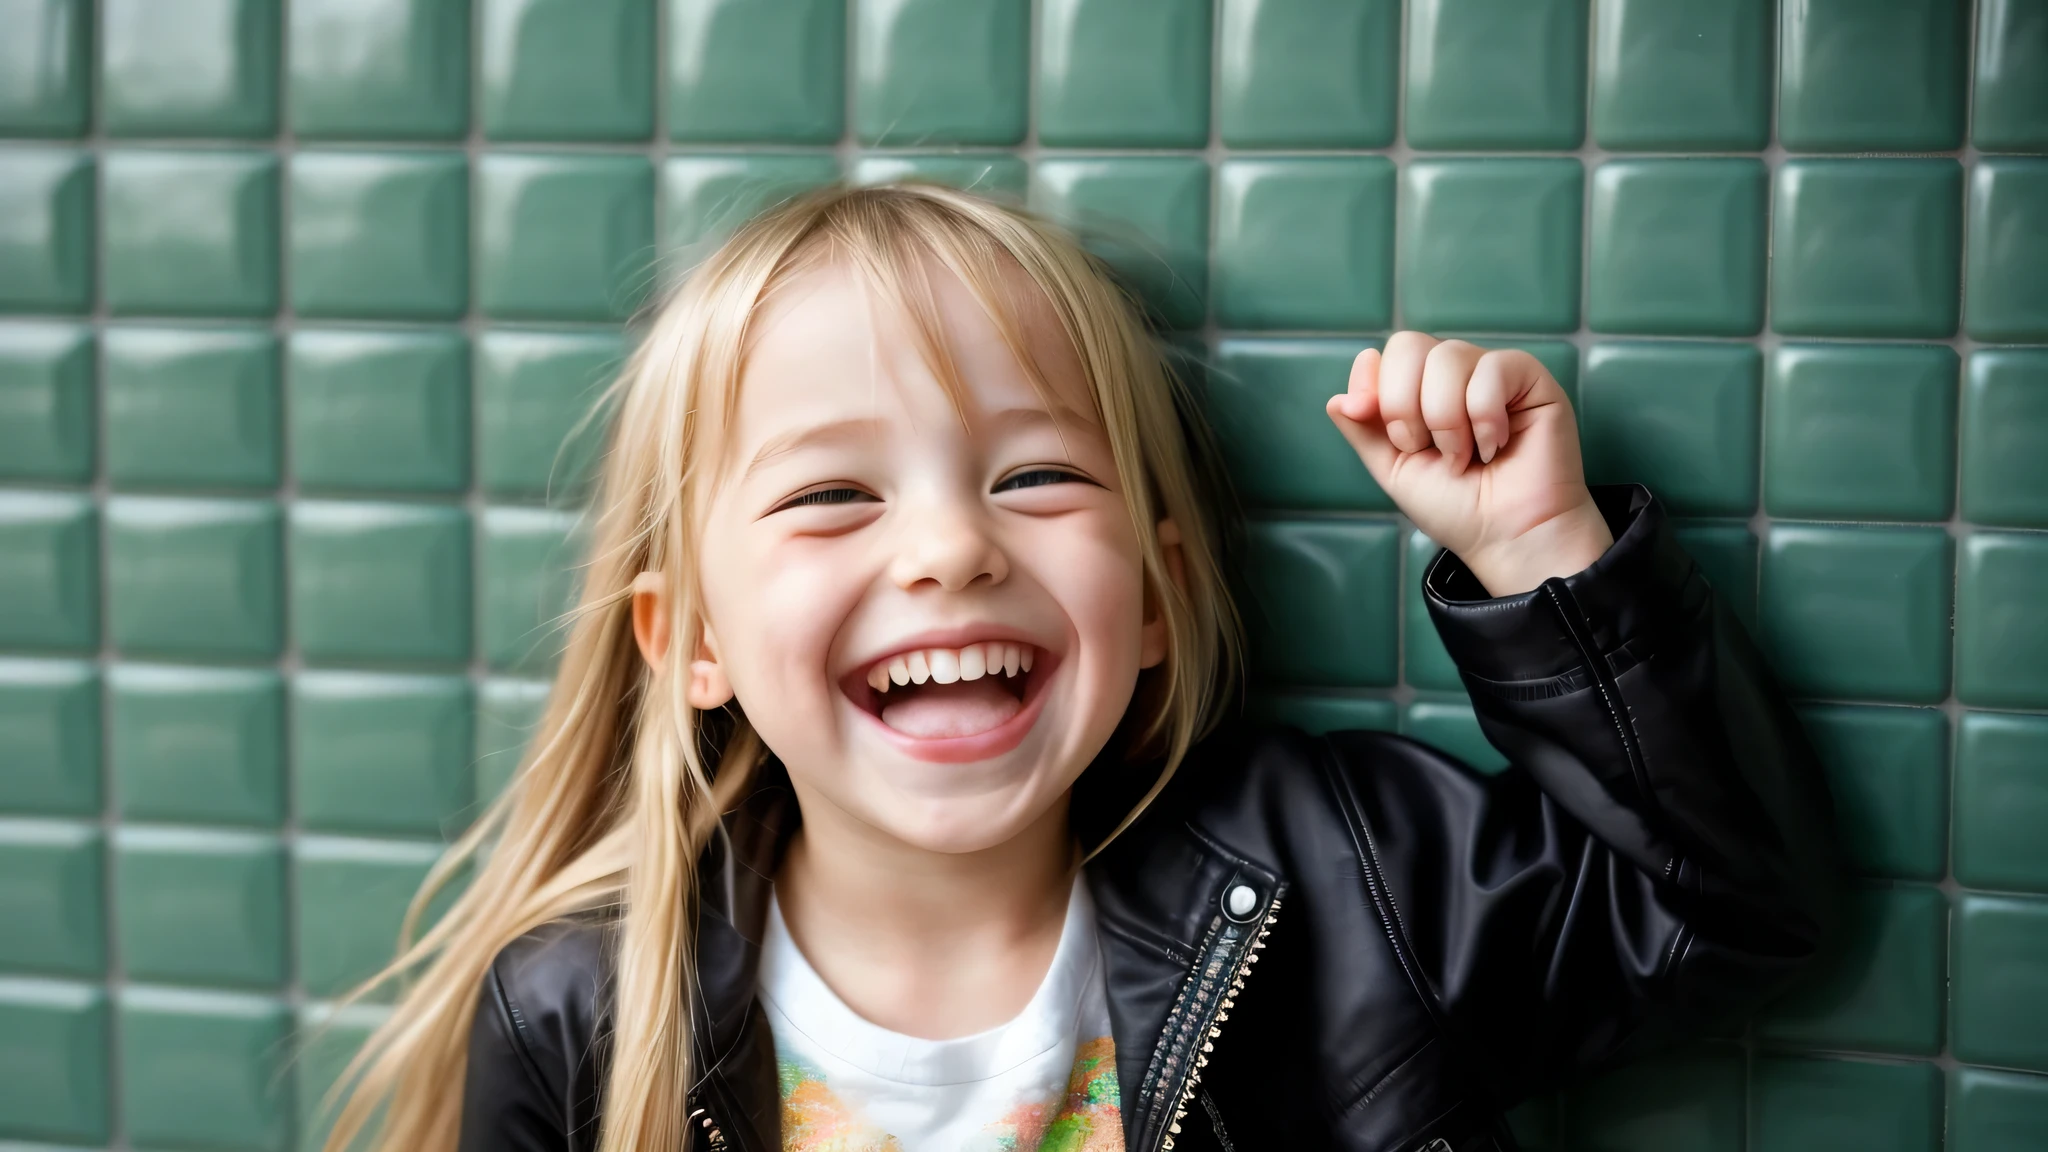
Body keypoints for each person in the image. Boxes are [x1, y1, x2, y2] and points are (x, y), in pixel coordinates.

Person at [318, 185, 1839, 1152]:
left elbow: (1724, 907)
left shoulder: (1354, 880)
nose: (948, 552)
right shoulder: (581, 1015)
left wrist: (1543, 554)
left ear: (1164, 596)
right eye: (834, 494)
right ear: (692, 643)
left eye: (1036, 478)